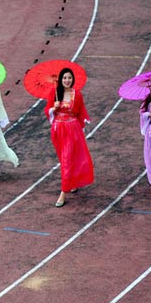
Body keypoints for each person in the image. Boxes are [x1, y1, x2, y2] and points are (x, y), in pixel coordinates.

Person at [44, 67, 94, 206]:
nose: (67, 80)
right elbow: (47, 111)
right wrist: (53, 108)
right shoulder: (54, 93)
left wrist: (83, 124)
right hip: (58, 130)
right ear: (61, 79)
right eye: (65, 78)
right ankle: (72, 181)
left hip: (72, 129)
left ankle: (63, 192)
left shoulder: (76, 94)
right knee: (64, 159)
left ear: (73, 79)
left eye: (69, 78)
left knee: (67, 159)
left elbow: (80, 111)